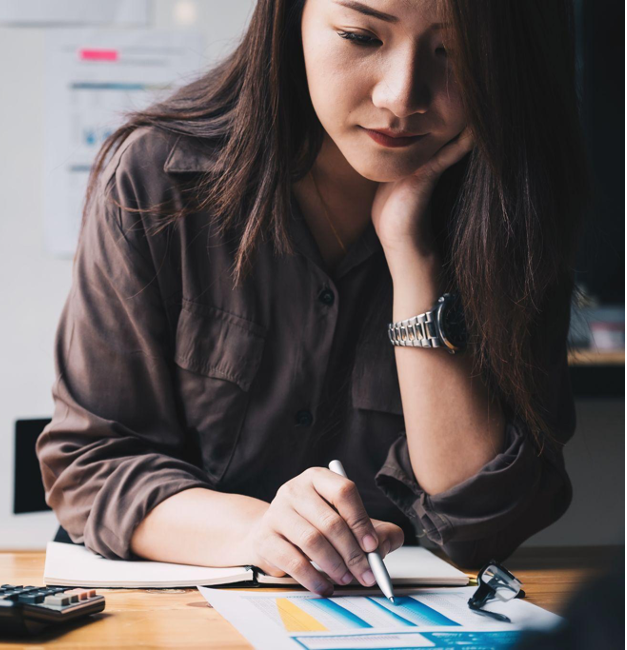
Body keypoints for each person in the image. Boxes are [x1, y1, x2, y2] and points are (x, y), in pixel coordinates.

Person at [37, 0, 588, 597]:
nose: (402, 97)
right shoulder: (157, 176)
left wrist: (411, 256)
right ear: (290, 19)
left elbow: (483, 525)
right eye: (360, 36)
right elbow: (92, 463)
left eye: (453, 52)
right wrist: (262, 532)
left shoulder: (514, 208)